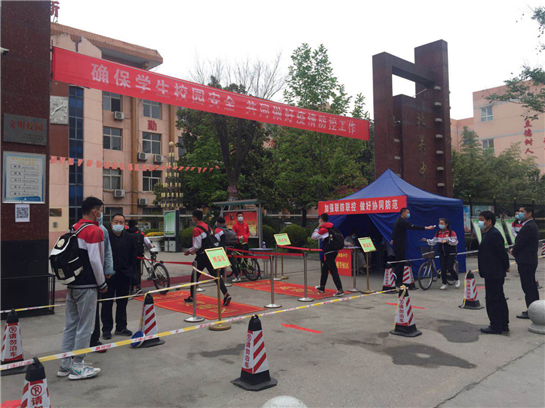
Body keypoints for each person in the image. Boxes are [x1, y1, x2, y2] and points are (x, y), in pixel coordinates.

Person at [57, 197, 107, 380]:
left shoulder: (75, 228)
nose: (100, 213)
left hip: (73, 283)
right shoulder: (94, 230)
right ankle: (78, 365)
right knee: (86, 325)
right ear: (94, 210)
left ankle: (65, 364)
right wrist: (102, 283)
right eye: (100, 210)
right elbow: (96, 259)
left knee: (70, 325)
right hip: (88, 285)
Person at [184, 210, 232, 305]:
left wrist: (189, 251)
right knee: (216, 276)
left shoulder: (196, 230)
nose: (192, 218)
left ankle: (192, 297)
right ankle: (226, 294)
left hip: (202, 256)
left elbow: (197, 245)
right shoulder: (208, 227)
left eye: (193, 217)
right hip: (210, 253)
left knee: (194, 276)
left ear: (195, 218)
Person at [101, 214, 135, 340]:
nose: (118, 224)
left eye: (121, 222)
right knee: (107, 303)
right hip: (109, 276)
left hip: (124, 275)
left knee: (122, 303)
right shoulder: (106, 237)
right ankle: (106, 329)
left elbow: (133, 257)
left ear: (124, 224)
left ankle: (121, 327)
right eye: (116, 222)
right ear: (111, 223)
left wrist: (131, 273)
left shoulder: (129, 238)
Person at [477, 211, 510, 334]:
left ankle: (496, 326)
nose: (480, 222)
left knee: (493, 299)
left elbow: (501, 253)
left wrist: (506, 266)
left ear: (489, 221)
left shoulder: (494, 234)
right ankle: (502, 324)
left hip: (494, 272)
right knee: (499, 298)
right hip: (491, 271)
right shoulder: (487, 233)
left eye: (482, 219)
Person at [391, 208, 434, 287]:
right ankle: (398, 281)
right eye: (407, 212)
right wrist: (426, 228)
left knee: (400, 262)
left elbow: (395, 231)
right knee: (400, 262)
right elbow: (413, 227)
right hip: (399, 245)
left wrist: (392, 239)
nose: (409, 214)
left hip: (399, 244)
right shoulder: (401, 221)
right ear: (403, 213)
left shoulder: (398, 221)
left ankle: (398, 280)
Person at [90, 214, 114, 353]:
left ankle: (88, 341)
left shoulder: (75, 228)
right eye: (99, 211)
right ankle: (93, 340)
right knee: (92, 311)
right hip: (92, 278)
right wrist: (103, 279)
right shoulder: (99, 230)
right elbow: (104, 253)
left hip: (79, 278)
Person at [510, 204, 540, 319]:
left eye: (522, 211)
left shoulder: (529, 226)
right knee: (530, 286)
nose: (519, 213)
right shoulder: (529, 225)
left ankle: (532, 311)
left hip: (526, 260)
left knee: (528, 287)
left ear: (529, 213)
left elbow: (521, 242)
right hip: (528, 260)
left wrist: (513, 251)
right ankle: (534, 309)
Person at [311, 213, 344, 297]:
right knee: (325, 268)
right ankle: (322, 287)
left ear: (321, 220)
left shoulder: (324, 229)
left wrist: (317, 228)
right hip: (334, 250)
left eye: (319, 220)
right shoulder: (332, 228)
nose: (319, 221)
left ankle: (340, 289)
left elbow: (313, 237)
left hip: (329, 251)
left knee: (333, 270)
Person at [423, 218, 460, 290]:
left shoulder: (451, 232)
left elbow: (455, 242)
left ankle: (456, 279)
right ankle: (444, 283)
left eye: (442, 223)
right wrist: (426, 241)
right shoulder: (438, 233)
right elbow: (433, 241)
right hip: (442, 252)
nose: (440, 225)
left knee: (450, 267)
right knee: (443, 268)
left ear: (446, 224)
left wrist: (447, 241)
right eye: (439, 223)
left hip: (451, 252)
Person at [127, 219, 154, 295]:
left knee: (130, 270)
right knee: (137, 271)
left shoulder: (125, 233)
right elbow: (148, 243)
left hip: (128, 256)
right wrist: (151, 247)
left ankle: (130, 288)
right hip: (138, 255)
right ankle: (138, 287)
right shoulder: (140, 233)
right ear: (136, 225)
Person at [231, 212, 250, 282]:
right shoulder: (235, 225)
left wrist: (246, 237)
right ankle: (238, 272)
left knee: (246, 257)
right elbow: (233, 234)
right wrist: (238, 237)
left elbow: (248, 232)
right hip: (238, 243)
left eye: (241, 216)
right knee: (238, 258)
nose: (240, 217)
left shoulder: (245, 224)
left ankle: (245, 269)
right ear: (237, 217)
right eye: (239, 216)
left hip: (245, 243)